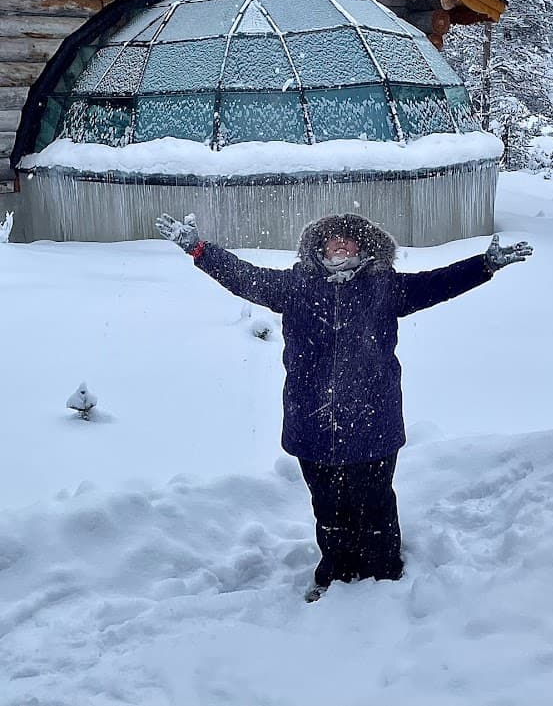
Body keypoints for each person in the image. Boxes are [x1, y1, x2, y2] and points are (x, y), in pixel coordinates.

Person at [155, 212, 533, 601]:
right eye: (331, 240)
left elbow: (437, 284)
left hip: (373, 422)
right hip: (312, 422)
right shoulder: (294, 286)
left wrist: (484, 265)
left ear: (363, 246)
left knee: (375, 506)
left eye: (348, 240)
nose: (339, 245)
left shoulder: (385, 287)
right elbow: (242, 276)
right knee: (329, 508)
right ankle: (336, 572)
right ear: (318, 247)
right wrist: (200, 250)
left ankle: (385, 575)